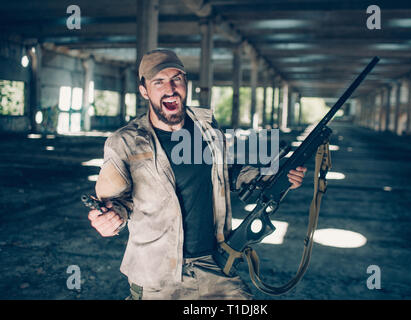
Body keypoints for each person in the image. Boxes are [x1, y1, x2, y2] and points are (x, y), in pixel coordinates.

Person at [87, 49, 307, 300]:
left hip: (213, 263)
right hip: (158, 275)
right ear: (144, 90)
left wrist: (274, 176)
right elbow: (115, 203)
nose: (170, 88)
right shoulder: (125, 142)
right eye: (159, 82)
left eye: (176, 78)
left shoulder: (206, 127)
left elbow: (225, 172)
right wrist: (108, 218)